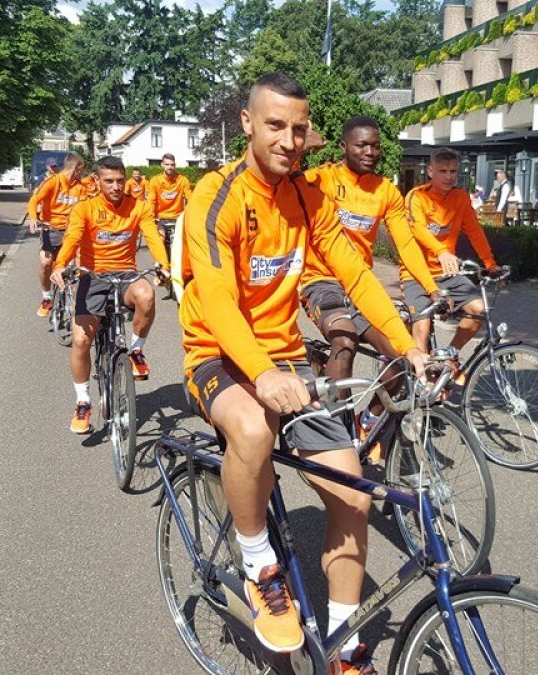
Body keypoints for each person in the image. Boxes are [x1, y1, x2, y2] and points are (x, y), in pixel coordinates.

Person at [180, 73, 427, 674]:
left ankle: (344, 644)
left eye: (298, 128)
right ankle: (259, 560)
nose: (289, 140)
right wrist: (262, 375)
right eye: (274, 125)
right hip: (216, 351)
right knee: (255, 431)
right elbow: (216, 302)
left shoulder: (308, 197)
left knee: (353, 496)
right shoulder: (216, 199)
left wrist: (405, 348)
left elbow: (356, 275)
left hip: (283, 356)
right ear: (246, 123)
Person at [300, 115, 453, 460]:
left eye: (375, 145)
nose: (370, 152)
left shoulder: (386, 191)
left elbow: (407, 245)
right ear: (343, 147)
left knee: (402, 357)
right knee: (344, 339)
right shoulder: (324, 178)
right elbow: (286, 186)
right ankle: (337, 437)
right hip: (320, 280)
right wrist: (301, 147)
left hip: (361, 284)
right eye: (361, 145)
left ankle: (368, 419)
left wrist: (432, 289)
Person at [50, 155, 170, 434]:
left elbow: (152, 236)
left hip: (126, 274)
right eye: (109, 181)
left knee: (146, 294)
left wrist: (163, 265)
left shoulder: (138, 206)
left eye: (119, 181)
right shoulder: (85, 208)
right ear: (97, 181)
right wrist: (60, 265)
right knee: (81, 340)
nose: (116, 187)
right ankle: (83, 402)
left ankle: (136, 350)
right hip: (93, 277)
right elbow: (73, 239)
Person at [402, 148, 503, 357]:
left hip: (447, 274)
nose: (449, 177)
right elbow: (417, 228)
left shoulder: (460, 197)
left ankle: (451, 357)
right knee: (422, 327)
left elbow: (474, 230)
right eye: (443, 171)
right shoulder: (417, 196)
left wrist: (490, 263)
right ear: (430, 171)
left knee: (479, 310)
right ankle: (425, 380)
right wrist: (441, 251)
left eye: (453, 171)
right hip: (417, 274)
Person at [26, 153, 86, 318]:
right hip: (50, 228)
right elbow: (34, 201)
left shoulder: (80, 187)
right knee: (46, 262)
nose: (82, 173)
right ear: (75, 168)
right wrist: (33, 218)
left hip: (71, 231)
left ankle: (75, 297)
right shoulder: (53, 182)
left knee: (77, 265)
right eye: (81, 169)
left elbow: (85, 208)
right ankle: (46, 297)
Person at [147, 153, 192, 257]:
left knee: (183, 244)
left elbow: (190, 197)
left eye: (172, 165)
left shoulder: (182, 180)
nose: (170, 167)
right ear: (162, 165)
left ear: (175, 165)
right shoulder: (155, 180)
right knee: (160, 240)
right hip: (161, 218)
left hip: (178, 218)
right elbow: (152, 201)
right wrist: (151, 217)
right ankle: (160, 266)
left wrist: (190, 214)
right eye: (167, 164)